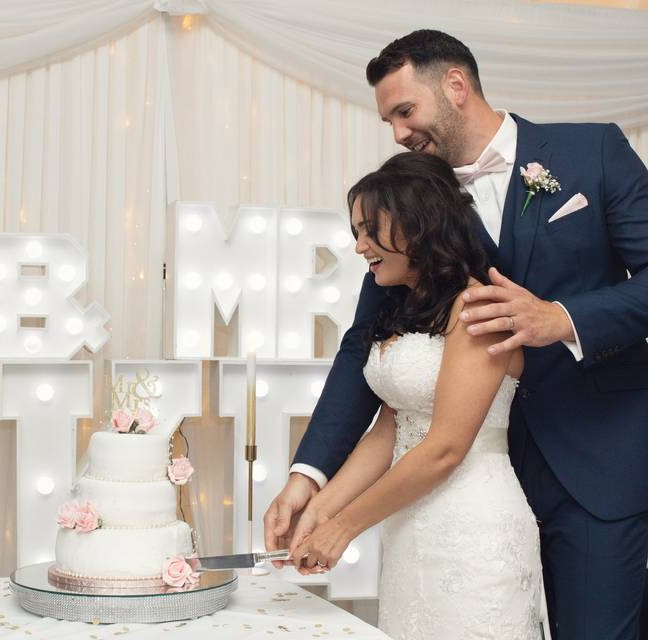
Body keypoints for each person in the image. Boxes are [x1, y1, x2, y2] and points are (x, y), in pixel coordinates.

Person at [265, 30, 648, 640]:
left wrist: (563, 318)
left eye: (404, 111)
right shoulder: (414, 203)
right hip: (454, 498)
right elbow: (364, 347)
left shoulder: (592, 152)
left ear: (456, 85)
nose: (397, 131)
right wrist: (307, 476)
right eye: (388, 119)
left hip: (593, 465)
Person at [291, 150, 542, 637]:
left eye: (370, 230)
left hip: (473, 532)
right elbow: (389, 430)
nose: (361, 246)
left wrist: (344, 528)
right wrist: (320, 509)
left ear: (417, 225)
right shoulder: (404, 308)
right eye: (356, 233)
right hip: (409, 526)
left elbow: (445, 449)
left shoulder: (478, 310)